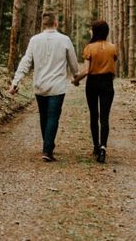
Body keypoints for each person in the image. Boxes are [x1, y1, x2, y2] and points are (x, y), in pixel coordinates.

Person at [9, 12, 79, 162]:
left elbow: (26, 61)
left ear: (42, 24)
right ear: (56, 23)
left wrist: (15, 82)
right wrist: (76, 76)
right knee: (53, 116)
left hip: (40, 85)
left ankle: (47, 146)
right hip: (57, 87)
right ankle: (47, 149)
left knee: (44, 116)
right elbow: (73, 62)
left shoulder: (35, 40)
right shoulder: (64, 40)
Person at [72, 19, 117, 163]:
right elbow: (113, 65)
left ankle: (96, 146)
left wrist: (76, 80)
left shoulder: (89, 48)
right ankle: (103, 147)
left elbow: (86, 70)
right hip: (107, 83)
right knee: (105, 117)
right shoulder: (113, 47)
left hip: (92, 83)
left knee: (94, 115)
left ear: (95, 31)